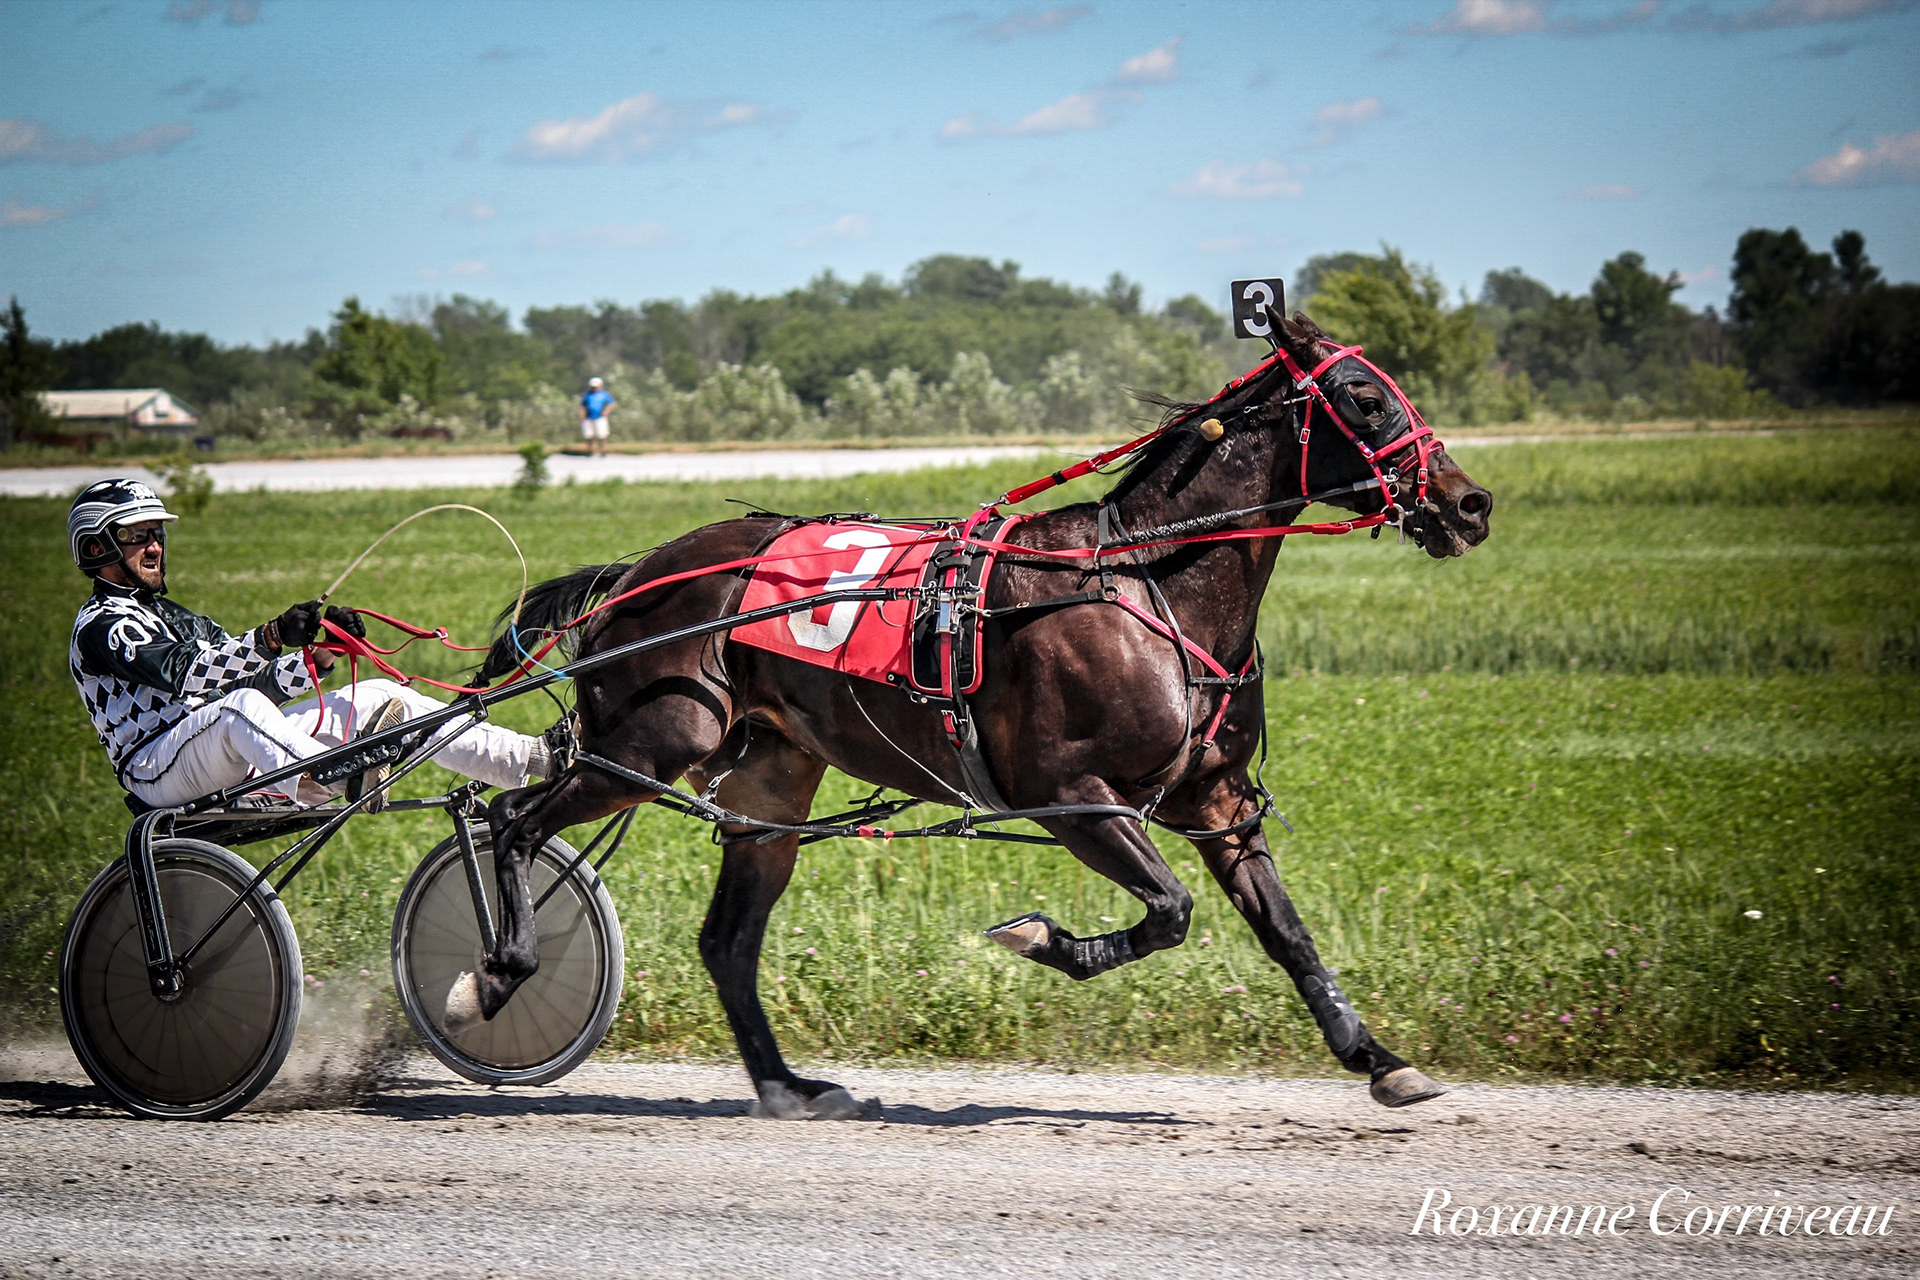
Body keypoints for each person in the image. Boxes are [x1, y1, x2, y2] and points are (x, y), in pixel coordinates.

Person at [67, 478, 556, 811]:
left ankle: (534, 757)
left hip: (223, 746)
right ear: (96, 547)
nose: (154, 545)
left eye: (155, 533)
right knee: (240, 707)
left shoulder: (175, 616)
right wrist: (272, 636)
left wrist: (318, 656)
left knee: (386, 697)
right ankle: (343, 774)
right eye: (135, 535)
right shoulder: (101, 625)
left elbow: (254, 682)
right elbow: (184, 671)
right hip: (157, 768)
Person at [578, 375, 616, 457]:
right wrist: (582, 414)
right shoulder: (587, 394)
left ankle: (603, 451)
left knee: (602, 435)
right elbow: (582, 405)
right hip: (588, 417)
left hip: (600, 417)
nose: (594, 388)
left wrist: (606, 411)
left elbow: (612, 403)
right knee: (589, 435)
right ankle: (589, 451)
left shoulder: (603, 394)